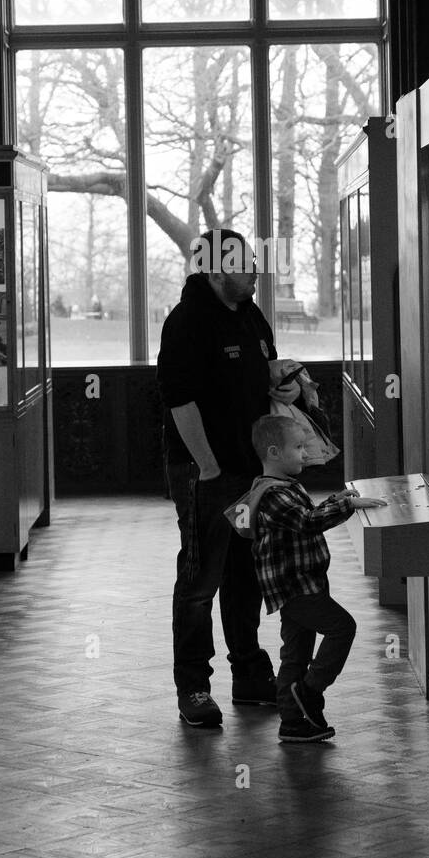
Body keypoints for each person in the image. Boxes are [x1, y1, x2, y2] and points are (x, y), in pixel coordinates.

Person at [157, 228, 278, 728]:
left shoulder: (249, 313)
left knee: (244, 574)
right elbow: (179, 401)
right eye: (244, 263)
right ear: (215, 269)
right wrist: (207, 467)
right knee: (200, 578)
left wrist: (292, 384)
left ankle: (249, 675)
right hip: (202, 471)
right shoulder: (186, 322)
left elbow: (267, 370)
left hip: (249, 471)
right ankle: (194, 688)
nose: (254, 270)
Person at [228, 415, 386, 743]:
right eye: (298, 447)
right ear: (273, 452)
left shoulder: (285, 487)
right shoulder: (273, 495)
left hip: (303, 585)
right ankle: (310, 691)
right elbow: (308, 521)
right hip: (295, 588)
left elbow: (308, 515)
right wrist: (349, 506)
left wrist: (340, 501)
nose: (304, 453)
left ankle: (292, 722)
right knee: (343, 627)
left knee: (295, 655)